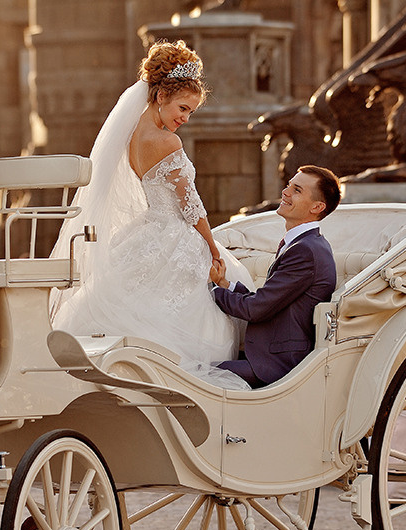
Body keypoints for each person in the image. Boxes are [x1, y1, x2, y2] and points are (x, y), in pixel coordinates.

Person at [49, 41, 253, 388]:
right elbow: (191, 207)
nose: (185, 119)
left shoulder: (131, 135)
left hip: (148, 230)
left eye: (190, 112)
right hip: (174, 232)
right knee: (230, 288)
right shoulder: (166, 142)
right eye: (183, 108)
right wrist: (214, 250)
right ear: (160, 96)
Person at [210, 165, 341, 388]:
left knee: (195, 373)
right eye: (289, 185)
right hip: (265, 352)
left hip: (277, 363)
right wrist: (225, 284)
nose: (285, 192)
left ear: (317, 206)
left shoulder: (306, 250)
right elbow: (268, 301)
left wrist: (213, 293)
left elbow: (256, 309)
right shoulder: (302, 244)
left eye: (297, 190)